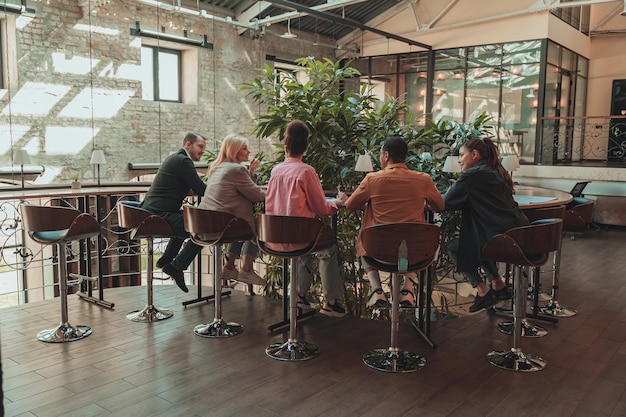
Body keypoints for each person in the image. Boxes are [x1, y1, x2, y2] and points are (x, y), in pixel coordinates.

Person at [344, 137, 445, 309]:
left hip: (379, 253)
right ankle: (408, 289)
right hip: (414, 256)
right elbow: (440, 206)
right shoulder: (423, 179)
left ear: (386, 155)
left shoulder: (372, 179)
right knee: (410, 241)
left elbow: (351, 205)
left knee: (364, 235)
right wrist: (420, 203)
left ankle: (376, 290)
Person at [265, 120, 347, 317]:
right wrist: (338, 202)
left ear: (286, 147)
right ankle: (330, 301)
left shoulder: (275, 171)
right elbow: (321, 208)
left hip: (272, 237)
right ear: (305, 147)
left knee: (302, 246)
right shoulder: (306, 171)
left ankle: (299, 295)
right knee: (327, 247)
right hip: (299, 237)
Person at [444, 136, 528, 312]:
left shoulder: (473, 174)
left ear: (474, 154)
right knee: (477, 238)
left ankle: (482, 291)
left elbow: (446, 203)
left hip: (503, 239)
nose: (459, 160)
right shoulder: (496, 171)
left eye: (461, 155)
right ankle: (498, 285)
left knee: (453, 247)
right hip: (520, 233)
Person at [140, 132, 207, 293]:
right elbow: (202, 189)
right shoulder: (183, 161)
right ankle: (177, 266)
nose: (203, 151)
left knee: (187, 218)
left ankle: (167, 260)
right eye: (200, 146)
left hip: (150, 212)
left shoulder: (174, 158)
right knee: (202, 230)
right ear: (188, 145)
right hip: (158, 216)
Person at [199, 134, 266, 286]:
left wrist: (251, 173)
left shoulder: (219, 167)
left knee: (239, 223)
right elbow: (256, 195)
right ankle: (247, 269)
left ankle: (229, 267)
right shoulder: (237, 169)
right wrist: (277, 194)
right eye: (244, 148)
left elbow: (241, 189)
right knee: (258, 225)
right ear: (234, 151)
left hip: (205, 223)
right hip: (222, 226)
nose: (248, 152)